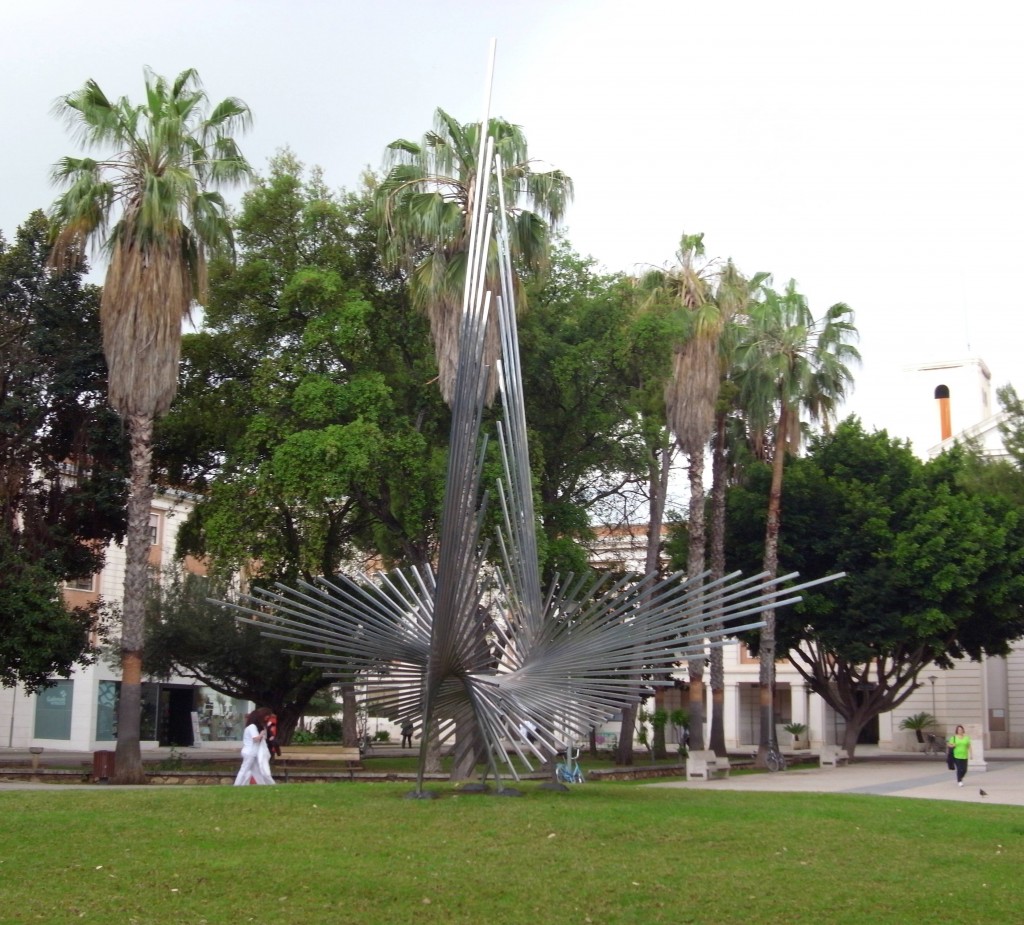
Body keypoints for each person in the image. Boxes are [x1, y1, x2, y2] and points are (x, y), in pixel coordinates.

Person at [234, 706, 276, 786]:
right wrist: (261, 734)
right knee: (244, 769)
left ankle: (262, 784)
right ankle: (237, 785)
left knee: (256, 770)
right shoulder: (252, 727)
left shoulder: (250, 727)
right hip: (250, 752)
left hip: (252, 752)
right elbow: (255, 739)